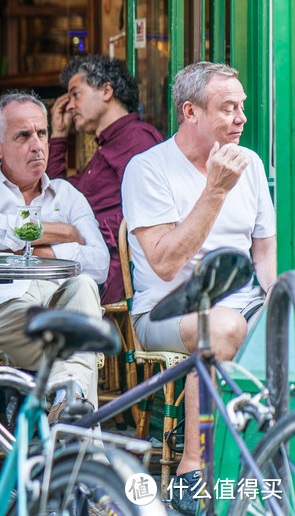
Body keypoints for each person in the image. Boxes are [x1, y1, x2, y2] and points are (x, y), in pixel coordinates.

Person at [122, 61, 276, 514]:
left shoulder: (248, 162)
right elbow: (167, 264)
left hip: (243, 300)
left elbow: (263, 254)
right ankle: (194, 470)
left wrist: (273, 300)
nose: (241, 118)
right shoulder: (148, 169)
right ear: (190, 112)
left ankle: (271, 455)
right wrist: (214, 191)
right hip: (166, 311)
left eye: (241, 106)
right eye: (227, 108)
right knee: (223, 327)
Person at [0, 91, 108, 419]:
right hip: (0, 312)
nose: (37, 145)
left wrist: (17, 245)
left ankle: (68, 407)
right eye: (23, 136)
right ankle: (79, 442)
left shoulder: (67, 194)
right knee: (81, 353)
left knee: (83, 285)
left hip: (58, 309)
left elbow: (99, 264)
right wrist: (64, 234)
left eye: (42, 133)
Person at [47, 55, 163, 303]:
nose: (68, 106)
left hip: (109, 273)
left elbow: (147, 212)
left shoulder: (136, 139)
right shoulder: (106, 148)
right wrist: (58, 134)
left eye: (75, 95)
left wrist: (81, 231)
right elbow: (54, 194)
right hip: (87, 260)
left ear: (107, 91)